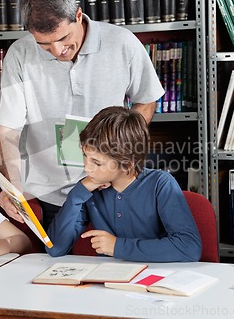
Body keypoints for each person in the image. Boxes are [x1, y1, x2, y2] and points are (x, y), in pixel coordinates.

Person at [0, 0, 165, 230]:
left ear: (78, 15)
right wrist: (11, 186)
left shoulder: (122, 43)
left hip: (112, 187)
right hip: (49, 193)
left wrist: (121, 149)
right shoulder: (19, 54)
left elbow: (146, 98)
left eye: (64, 38)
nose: (57, 50)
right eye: (44, 44)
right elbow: (7, 131)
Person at [45, 106, 202, 262]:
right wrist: (76, 194)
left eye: (97, 163)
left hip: (153, 278)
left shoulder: (160, 184)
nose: (86, 168)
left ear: (127, 164)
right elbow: (55, 248)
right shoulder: (91, 187)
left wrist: (117, 247)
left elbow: (189, 248)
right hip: (107, 280)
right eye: (85, 156)